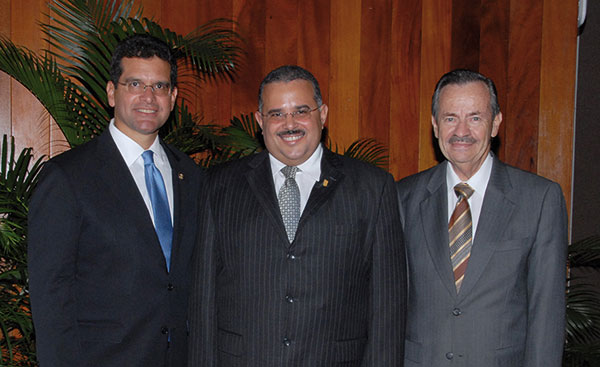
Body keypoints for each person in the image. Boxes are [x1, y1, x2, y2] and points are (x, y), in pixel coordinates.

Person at [188, 65, 406, 366]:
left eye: (301, 111)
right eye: (276, 113)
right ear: (259, 121)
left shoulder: (372, 188)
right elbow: (203, 301)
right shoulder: (220, 185)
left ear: (323, 114)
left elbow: (388, 308)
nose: (289, 124)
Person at [28, 34, 203, 366]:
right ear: (111, 92)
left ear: (173, 96)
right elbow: (51, 294)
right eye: (135, 83)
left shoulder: (192, 176)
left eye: (160, 86)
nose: (148, 97)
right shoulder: (67, 177)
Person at [397, 69, 568, 366]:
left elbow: (547, 314)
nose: (461, 131)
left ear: (495, 123)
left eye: (475, 118)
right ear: (435, 125)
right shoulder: (403, 197)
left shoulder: (539, 200)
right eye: (450, 118)